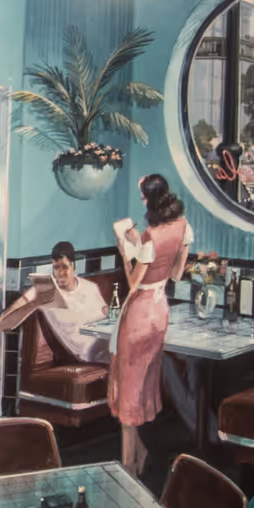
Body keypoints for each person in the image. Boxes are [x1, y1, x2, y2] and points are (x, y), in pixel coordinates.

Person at [109, 174, 190, 476]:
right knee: (144, 386)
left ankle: (128, 467)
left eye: (143, 197)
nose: (142, 201)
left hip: (139, 314)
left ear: (150, 199)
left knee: (129, 391)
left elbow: (133, 282)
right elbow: (177, 274)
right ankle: (142, 457)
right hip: (159, 311)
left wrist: (124, 248)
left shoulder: (150, 236)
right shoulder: (182, 226)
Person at [0, 241, 111, 365]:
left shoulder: (90, 287)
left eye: (65, 267)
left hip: (102, 343)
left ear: (73, 266)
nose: (60, 273)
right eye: (56, 268)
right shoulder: (44, 290)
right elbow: (2, 325)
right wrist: (35, 303)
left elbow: (106, 320)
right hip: (85, 352)